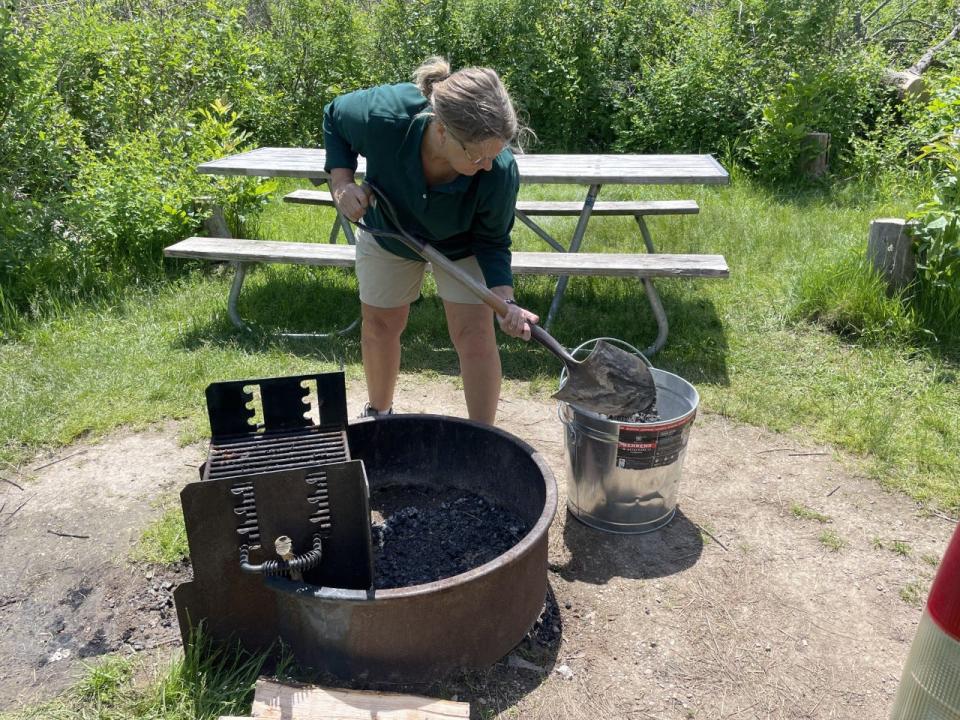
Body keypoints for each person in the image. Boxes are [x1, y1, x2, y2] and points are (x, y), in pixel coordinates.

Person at [323, 56, 538, 425]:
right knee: (379, 325)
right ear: (441, 131)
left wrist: (506, 302)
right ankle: (380, 415)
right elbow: (334, 116)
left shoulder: (497, 169)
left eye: (496, 153)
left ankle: (482, 437)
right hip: (391, 230)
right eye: (477, 155)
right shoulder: (385, 118)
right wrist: (342, 184)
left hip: (462, 243)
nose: (487, 165)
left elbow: (493, 240)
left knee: (474, 333)